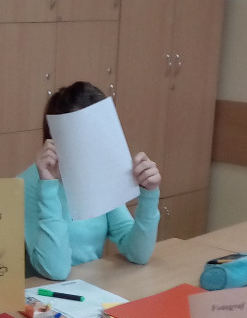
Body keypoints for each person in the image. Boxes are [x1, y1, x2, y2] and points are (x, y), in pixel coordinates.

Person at [19, 81, 161, 281]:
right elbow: (55, 270)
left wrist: (149, 194)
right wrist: (48, 187)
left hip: (91, 288)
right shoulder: (26, 186)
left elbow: (138, 253)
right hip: (44, 293)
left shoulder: (97, 173)